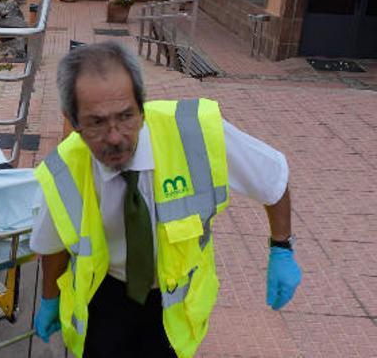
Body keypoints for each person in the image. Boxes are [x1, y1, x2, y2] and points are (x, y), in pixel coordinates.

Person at [31, 42, 302, 358]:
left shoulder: (194, 133)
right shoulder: (63, 169)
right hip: (104, 294)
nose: (116, 136)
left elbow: (273, 178)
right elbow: (53, 244)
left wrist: (282, 249)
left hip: (176, 300)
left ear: (142, 106)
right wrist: (49, 299)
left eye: (126, 116)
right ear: (72, 122)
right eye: (96, 122)